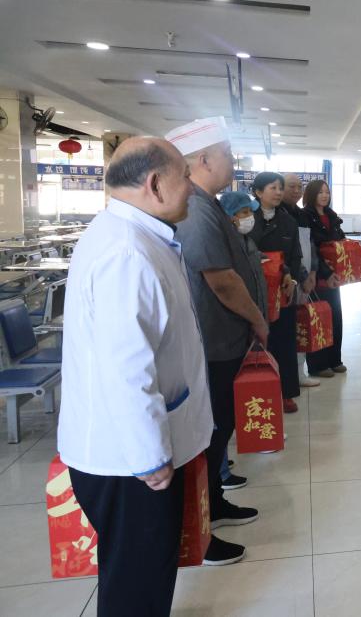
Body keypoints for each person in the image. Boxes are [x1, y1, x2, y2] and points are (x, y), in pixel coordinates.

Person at [58, 137, 214, 616]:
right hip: (131, 463)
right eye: (184, 177)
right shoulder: (126, 254)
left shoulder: (133, 236)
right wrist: (149, 456)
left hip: (132, 454)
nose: (191, 187)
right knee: (137, 583)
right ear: (155, 183)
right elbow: (124, 369)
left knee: (138, 573)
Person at [167, 117, 261, 565]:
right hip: (213, 341)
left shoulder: (209, 204)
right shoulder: (198, 209)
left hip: (224, 339)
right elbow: (221, 280)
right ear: (203, 159)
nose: (233, 161)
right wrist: (258, 319)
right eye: (227, 153)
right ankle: (200, 531)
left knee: (219, 430)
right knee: (209, 433)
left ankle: (215, 504)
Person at [215, 190, 270, 490]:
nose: (249, 217)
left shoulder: (245, 241)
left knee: (228, 403)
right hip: (230, 330)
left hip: (246, 323)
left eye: (250, 212)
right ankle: (220, 472)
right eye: (243, 213)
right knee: (221, 406)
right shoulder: (227, 243)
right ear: (230, 216)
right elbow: (228, 287)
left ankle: (222, 462)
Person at [249, 172, 304, 412]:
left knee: (285, 340)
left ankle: (286, 393)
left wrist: (292, 278)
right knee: (259, 341)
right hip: (255, 288)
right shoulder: (247, 219)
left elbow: (295, 255)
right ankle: (258, 393)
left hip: (283, 288)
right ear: (258, 192)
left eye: (280, 188)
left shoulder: (288, 221)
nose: (279, 192)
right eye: (273, 188)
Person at [302, 179, 347, 378]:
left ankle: (334, 359)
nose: (324, 195)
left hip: (334, 279)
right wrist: (324, 272)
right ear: (312, 194)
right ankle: (318, 365)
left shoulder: (332, 217)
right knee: (318, 319)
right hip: (317, 277)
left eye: (327, 192)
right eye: (320, 192)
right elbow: (310, 250)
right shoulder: (305, 216)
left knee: (335, 318)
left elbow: (342, 244)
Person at [282, 173, 320, 388]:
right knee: (286, 330)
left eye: (299, 187)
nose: (296, 191)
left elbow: (310, 245)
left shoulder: (302, 215)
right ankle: (287, 377)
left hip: (305, 280)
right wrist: (303, 276)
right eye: (291, 186)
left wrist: (312, 272)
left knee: (301, 326)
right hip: (287, 280)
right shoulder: (278, 216)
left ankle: (299, 373)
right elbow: (289, 253)